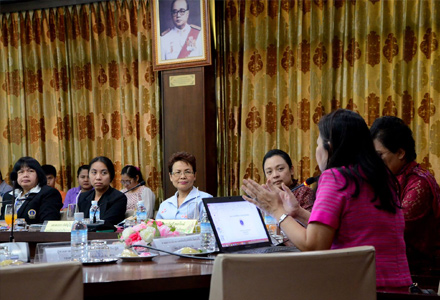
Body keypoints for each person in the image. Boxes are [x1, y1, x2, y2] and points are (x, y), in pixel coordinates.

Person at [242, 109, 412, 292]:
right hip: (397, 289)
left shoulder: (336, 177)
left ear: (329, 147)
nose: (316, 151)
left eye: (317, 144)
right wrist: (297, 212)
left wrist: (276, 210)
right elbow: (346, 229)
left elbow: (313, 245)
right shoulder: (381, 177)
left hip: (355, 290)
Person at [371, 116, 440, 273]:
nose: (374, 162)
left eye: (379, 155)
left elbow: (394, 228)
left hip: (421, 275)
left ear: (401, 153)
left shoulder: (419, 184)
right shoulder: (388, 178)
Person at [0, 157, 62, 224]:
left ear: (38, 175)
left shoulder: (49, 193)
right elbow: (3, 222)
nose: (25, 175)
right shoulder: (9, 196)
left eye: (30, 171)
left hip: (35, 234)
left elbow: (47, 224)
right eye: (21, 172)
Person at [156, 151, 212, 220]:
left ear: (195, 175)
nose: (182, 176)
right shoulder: (165, 205)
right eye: (178, 172)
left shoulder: (205, 199)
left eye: (187, 172)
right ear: (170, 176)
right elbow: (157, 229)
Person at [77, 156, 127, 227]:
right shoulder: (83, 197)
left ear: (111, 176)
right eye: (94, 172)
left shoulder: (118, 198)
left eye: (104, 173)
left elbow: (106, 224)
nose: (98, 177)